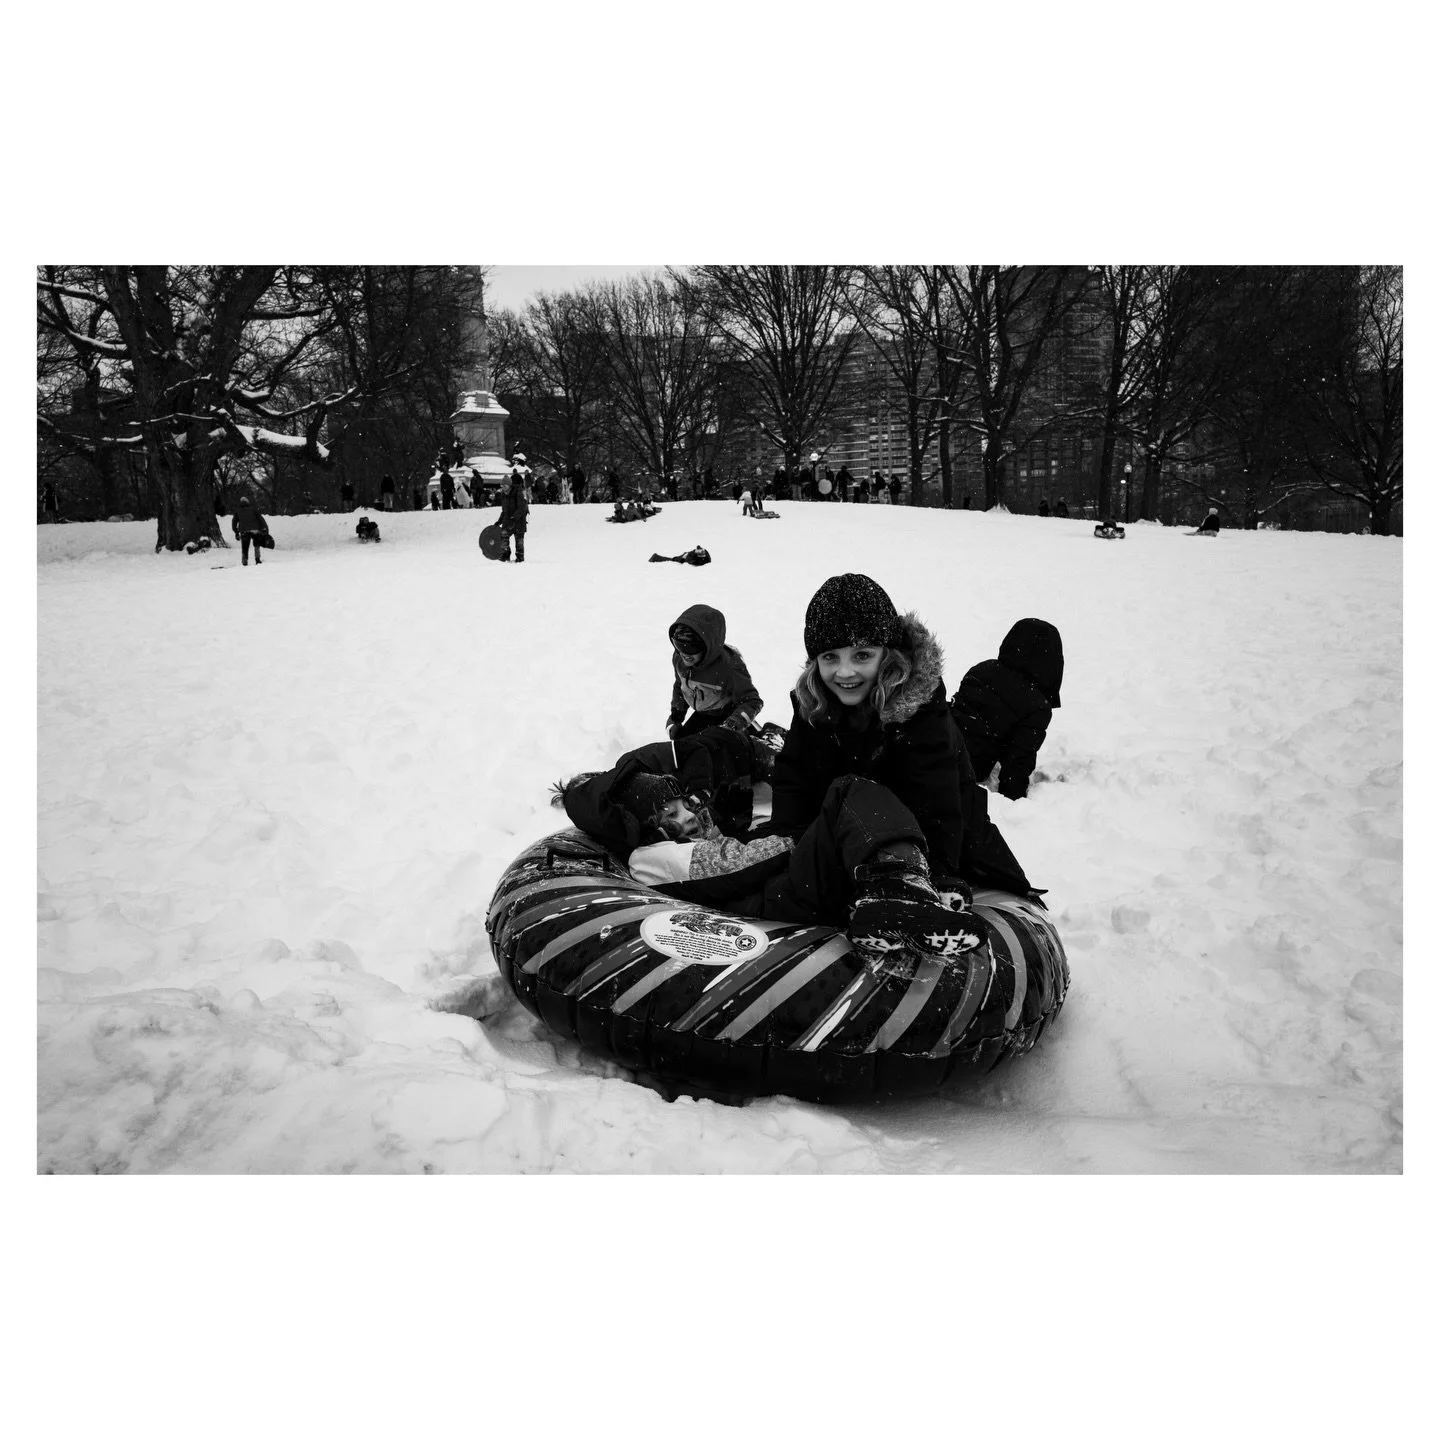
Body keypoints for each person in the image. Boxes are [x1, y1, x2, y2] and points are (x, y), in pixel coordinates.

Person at [556, 731, 986, 966]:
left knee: (855, 797)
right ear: (652, 832)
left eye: (682, 804)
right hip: (774, 902)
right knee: (849, 793)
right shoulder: (650, 860)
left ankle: (911, 889)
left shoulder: (705, 828)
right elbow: (733, 867)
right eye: (667, 819)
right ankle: (898, 890)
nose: (686, 818)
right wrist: (800, 834)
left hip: (781, 889)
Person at [770, 573, 1038, 897]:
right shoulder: (816, 703)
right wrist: (789, 849)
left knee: (860, 792)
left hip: (949, 850)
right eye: (830, 657)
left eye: (862, 655)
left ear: (887, 654)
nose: (845, 672)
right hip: (857, 840)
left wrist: (937, 875)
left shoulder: (920, 713)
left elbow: (937, 805)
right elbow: (794, 778)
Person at [950, 619, 1063, 801]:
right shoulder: (1037, 705)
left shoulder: (983, 669)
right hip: (968, 767)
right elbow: (1017, 762)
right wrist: (1012, 800)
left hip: (944, 743)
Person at [666, 603, 763, 741]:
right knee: (683, 744)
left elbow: (752, 701)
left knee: (721, 754)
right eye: (678, 645)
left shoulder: (729, 666)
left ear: (708, 644)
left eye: (692, 647)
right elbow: (680, 686)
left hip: (728, 716)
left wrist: (732, 725)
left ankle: (758, 738)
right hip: (704, 714)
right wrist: (676, 716)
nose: (684, 653)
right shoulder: (679, 659)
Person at [496, 467, 529, 561]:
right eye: (502, 486)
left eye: (505, 486)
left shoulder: (517, 493)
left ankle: (520, 557)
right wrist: (499, 521)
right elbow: (504, 511)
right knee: (503, 535)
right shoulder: (503, 495)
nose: (503, 488)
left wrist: (514, 517)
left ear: (509, 485)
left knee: (519, 540)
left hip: (519, 521)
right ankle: (505, 554)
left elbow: (521, 507)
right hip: (508, 520)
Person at [231, 489, 270, 565]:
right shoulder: (253, 509)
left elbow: (234, 522)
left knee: (245, 546)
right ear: (248, 502)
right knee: (256, 544)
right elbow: (261, 519)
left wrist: (236, 532)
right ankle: (257, 559)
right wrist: (265, 529)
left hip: (244, 531)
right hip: (255, 530)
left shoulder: (238, 511)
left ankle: (244, 560)